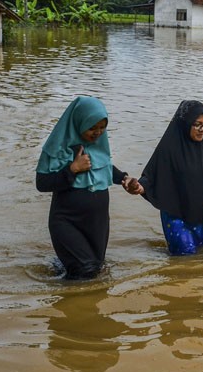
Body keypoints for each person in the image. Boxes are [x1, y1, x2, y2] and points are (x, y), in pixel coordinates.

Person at [36, 96, 143, 280]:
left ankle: (61, 275)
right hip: (67, 221)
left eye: (102, 127)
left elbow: (106, 167)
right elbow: (42, 183)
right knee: (85, 269)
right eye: (92, 128)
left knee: (95, 268)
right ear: (78, 122)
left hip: (97, 224)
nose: (98, 133)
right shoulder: (56, 150)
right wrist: (72, 169)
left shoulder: (98, 147)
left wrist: (125, 179)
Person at [138, 100, 203, 255]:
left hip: (200, 215)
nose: (202, 130)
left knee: (202, 252)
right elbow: (152, 174)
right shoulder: (169, 147)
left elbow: (192, 173)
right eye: (197, 124)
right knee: (185, 255)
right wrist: (140, 187)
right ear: (185, 123)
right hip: (176, 215)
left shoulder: (202, 146)